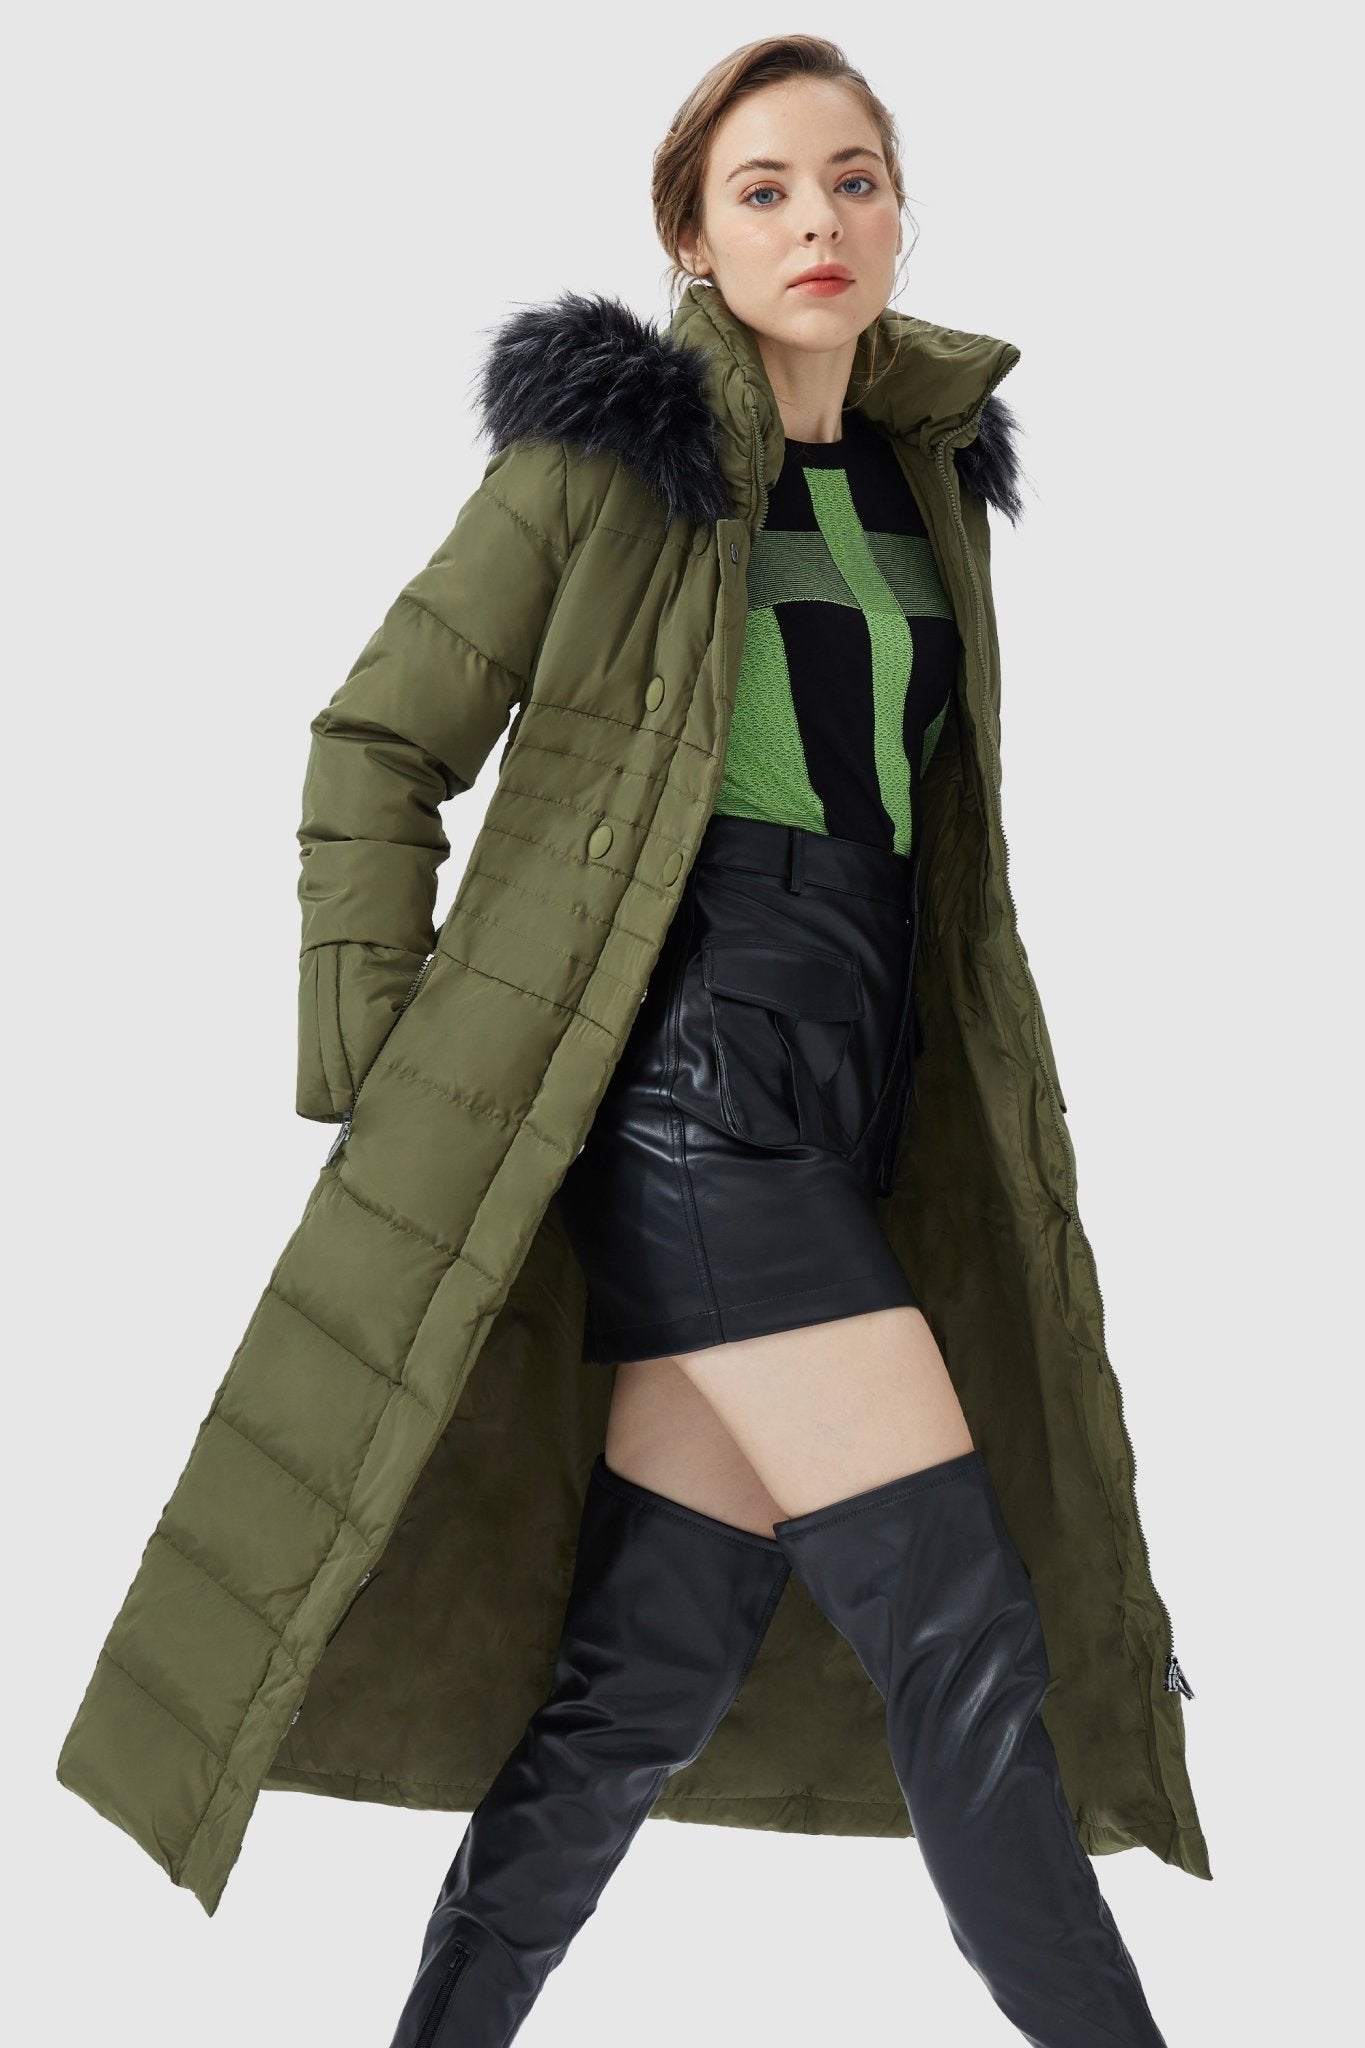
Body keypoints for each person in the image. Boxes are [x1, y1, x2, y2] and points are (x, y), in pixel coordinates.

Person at [382, 36, 1177, 2048]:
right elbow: (372, 745)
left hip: (838, 1092)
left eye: (852, 179)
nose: (815, 220)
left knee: (640, 1677)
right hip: (699, 1099)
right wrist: (391, 1068)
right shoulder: (611, 465)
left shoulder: (919, 484)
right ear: (689, 236)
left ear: (898, 211)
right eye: (761, 190)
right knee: (963, 1643)